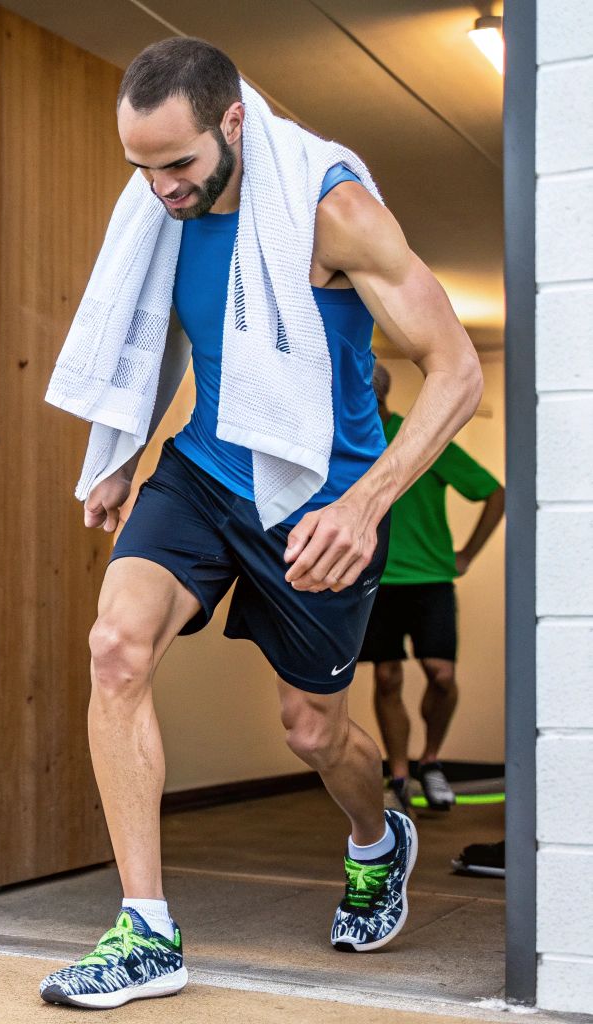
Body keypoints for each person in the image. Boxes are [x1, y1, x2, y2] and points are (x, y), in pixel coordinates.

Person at [37, 38, 484, 1009]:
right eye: (140, 168)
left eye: (177, 165)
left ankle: (375, 837)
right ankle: (144, 932)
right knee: (112, 645)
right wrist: (117, 459)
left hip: (321, 498)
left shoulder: (330, 209)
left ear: (231, 122)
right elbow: (157, 334)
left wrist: (366, 503)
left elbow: (456, 370)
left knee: (310, 729)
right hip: (200, 467)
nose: (158, 190)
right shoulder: (161, 206)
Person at [361, 362, 504, 815]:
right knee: (386, 677)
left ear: (378, 395)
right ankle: (399, 776)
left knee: (441, 675)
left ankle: (432, 761)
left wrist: (467, 555)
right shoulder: (347, 439)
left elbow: (493, 493)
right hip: (376, 579)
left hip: (431, 579)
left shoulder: (419, 436)